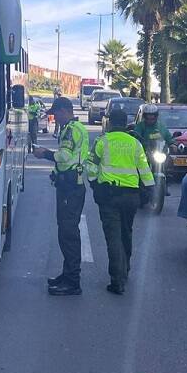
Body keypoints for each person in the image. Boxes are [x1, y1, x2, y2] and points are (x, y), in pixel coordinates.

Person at [89, 108, 154, 295]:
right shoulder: (135, 143)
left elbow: (91, 167)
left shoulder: (102, 142)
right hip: (131, 198)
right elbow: (145, 169)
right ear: (126, 124)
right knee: (126, 233)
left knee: (113, 237)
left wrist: (95, 185)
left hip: (109, 197)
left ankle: (117, 280)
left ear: (110, 122)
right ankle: (125, 269)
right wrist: (149, 190)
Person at [32, 96, 89, 296]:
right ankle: (68, 275)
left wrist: (44, 153)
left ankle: (73, 281)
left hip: (71, 188)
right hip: (70, 185)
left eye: (56, 113)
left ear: (65, 111)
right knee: (66, 232)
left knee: (68, 234)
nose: (54, 118)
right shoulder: (73, 128)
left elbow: (64, 156)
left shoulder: (71, 130)